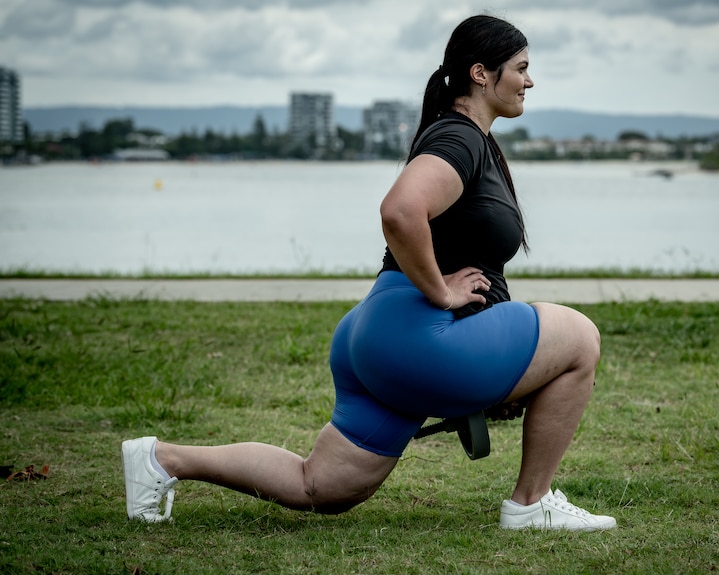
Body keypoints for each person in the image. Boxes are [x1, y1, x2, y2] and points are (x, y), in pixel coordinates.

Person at [122, 14, 616, 532]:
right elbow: (400, 211)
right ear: (480, 74)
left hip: (374, 333)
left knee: (323, 485)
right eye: (521, 68)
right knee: (579, 337)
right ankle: (531, 504)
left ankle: (162, 459)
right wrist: (441, 292)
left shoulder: (466, 139)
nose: (529, 81)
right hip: (420, 334)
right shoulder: (460, 139)